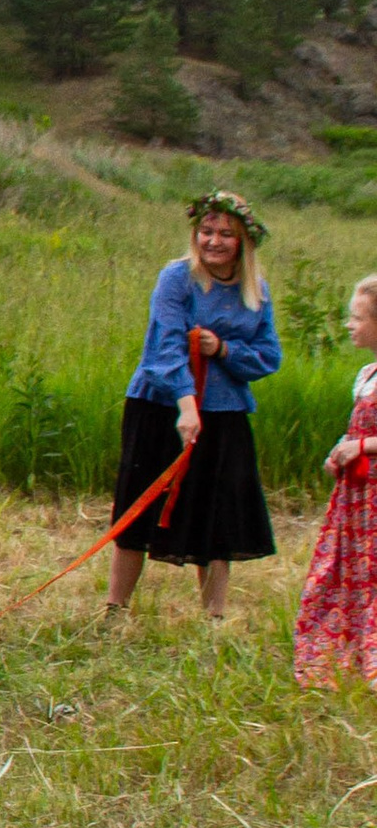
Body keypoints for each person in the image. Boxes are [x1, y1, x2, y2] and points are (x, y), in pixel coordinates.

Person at [106, 192, 283, 626]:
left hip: (225, 411)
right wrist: (186, 405)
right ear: (195, 235)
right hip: (160, 404)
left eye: (225, 233)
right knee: (140, 502)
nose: (214, 241)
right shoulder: (176, 278)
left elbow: (267, 355)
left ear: (242, 240)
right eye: (207, 231)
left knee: (216, 509)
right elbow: (163, 347)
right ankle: (115, 610)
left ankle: (214, 618)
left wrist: (222, 348)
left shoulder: (255, 290)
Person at [295, 273, 377, 689]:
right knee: (348, 570)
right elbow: (356, 429)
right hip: (357, 499)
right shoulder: (366, 374)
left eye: (358, 317)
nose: (349, 325)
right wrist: (341, 449)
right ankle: (346, 650)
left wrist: (361, 449)